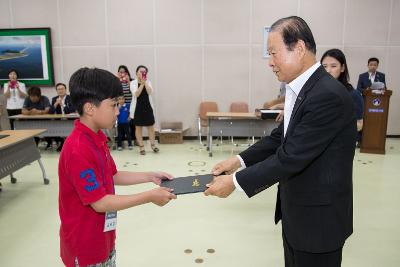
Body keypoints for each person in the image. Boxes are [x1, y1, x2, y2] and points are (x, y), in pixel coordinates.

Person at [205, 16, 357, 267]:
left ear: (298, 48)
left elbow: (290, 156)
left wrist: (234, 182)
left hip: (319, 223)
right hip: (298, 215)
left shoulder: (326, 95)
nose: (270, 63)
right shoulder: (306, 89)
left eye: (274, 53)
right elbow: (281, 137)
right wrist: (238, 160)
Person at [58, 67, 176, 267]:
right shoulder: (78, 149)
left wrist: (150, 176)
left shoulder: (97, 137)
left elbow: (112, 175)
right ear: (90, 108)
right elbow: (100, 203)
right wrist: (149, 196)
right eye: (113, 105)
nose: (118, 110)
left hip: (103, 237)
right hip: (85, 247)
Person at [321, 49, 364, 145]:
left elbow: (359, 125)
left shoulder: (353, 94)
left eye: (333, 66)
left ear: (342, 68)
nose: (328, 70)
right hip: (320, 143)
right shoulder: (318, 91)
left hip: (340, 144)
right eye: (324, 66)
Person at [129, 65, 159, 155]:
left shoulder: (148, 82)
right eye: (140, 71)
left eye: (144, 72)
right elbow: (136, 94)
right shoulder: (133, 83)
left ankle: (153, 145)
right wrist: (141, 84)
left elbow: (150, 92)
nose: (142, 73)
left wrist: (145, 82)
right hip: (137, 108)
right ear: (136, 72)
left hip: (147, 107)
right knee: (138, 127)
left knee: (151, 127)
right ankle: (141, 147)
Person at [49, 83, 75, 151]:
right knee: (52, 128)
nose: (60, 91)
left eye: (62, 89)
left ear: (65, 90)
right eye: (58, 89)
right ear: (56, 91)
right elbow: (50, 112)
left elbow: (71, 110)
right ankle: (63, 143)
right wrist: (56, 104)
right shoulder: (54, 99)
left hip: (70, 120)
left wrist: (62, 104)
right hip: (59, 120)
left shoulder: (71, 98)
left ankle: (66, 144)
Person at [117, 65, 136, 144]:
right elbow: (116, 92)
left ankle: (134, 140)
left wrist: (128, 81)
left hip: (131, 105)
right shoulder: (117, 82)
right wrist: (117, 80)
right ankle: (122, 142)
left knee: (132, 123)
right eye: (120, 72)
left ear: (127, 72)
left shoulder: (132, 81)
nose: (122, 73)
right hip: (121, 106)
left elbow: (134, 92)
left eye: (123, 71)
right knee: (122, 123)